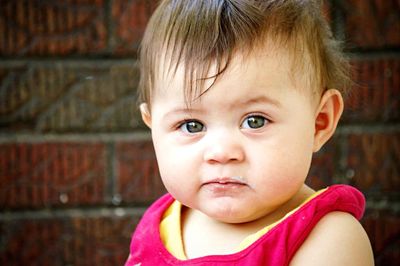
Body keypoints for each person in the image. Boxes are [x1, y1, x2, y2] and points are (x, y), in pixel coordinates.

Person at [125, 0, 374, 265]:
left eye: (255, 121)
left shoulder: (328, 239)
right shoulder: (159, 223)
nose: (221, 153)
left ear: (319, 122)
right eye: (191, 125)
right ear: (152, 126)